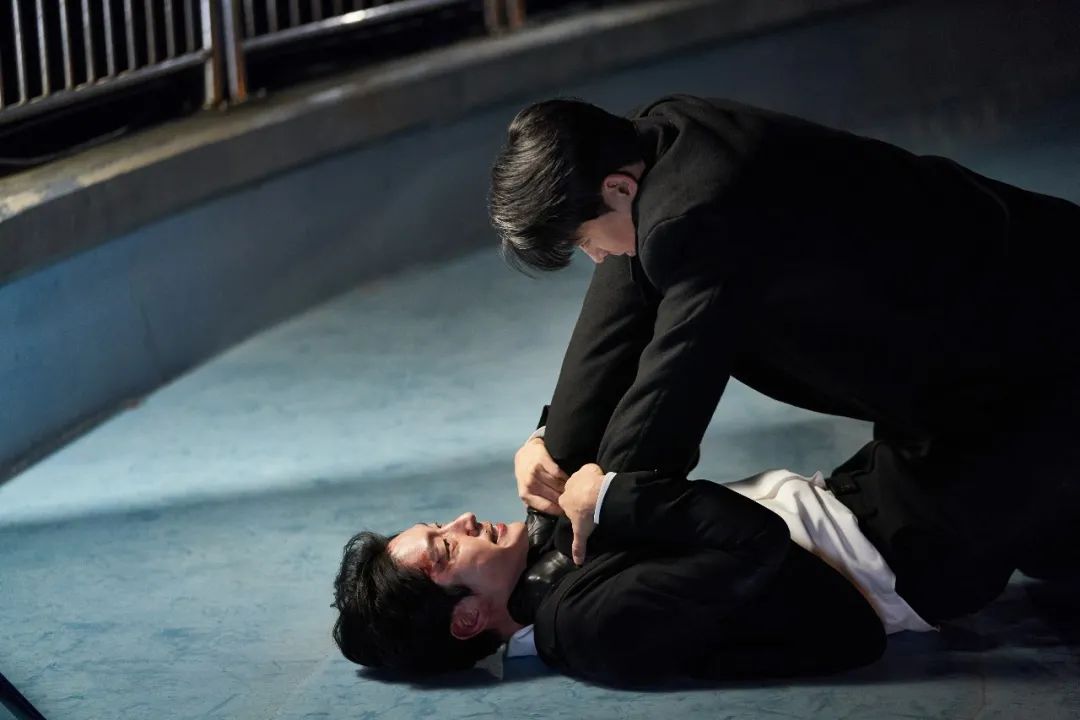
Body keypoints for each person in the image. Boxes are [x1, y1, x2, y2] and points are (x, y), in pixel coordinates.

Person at [488, 95, 1080, 578]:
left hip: (1033, 325)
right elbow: (620, 304)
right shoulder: (650, 140)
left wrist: (602, 503)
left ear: (618, 189)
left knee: (1042, 545)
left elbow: (676, 387)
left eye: (584, 240)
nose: (594, 257)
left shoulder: (692, 216)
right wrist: (556, 447)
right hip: (1000, 288)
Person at [330, 448, 1035, 686]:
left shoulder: (542, 571)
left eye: (439, 525)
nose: (460, 520)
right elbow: (758, 546)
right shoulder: (591, 624)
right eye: (445, 548)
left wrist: (549, 438)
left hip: (865, 499)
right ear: (467, 619)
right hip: (904, 550)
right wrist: (612, 496)